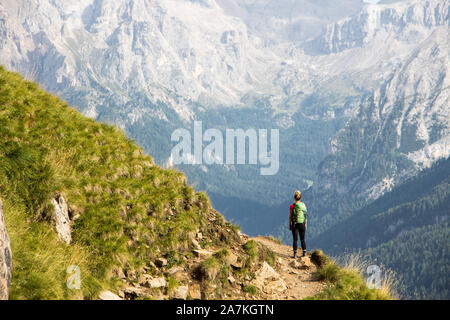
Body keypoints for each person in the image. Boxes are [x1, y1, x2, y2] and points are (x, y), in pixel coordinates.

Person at [289, 190, 307, 258]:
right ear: (300, 198)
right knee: (302, 239)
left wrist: (289, 225)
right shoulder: (303, 205)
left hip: (295, 224)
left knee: (295, 239)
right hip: (302, 223)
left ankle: (295, 254)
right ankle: (304, 252)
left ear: (294, 198)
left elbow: (290, 216)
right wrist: (305, 224)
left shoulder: (292, 206)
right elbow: (305, 215)